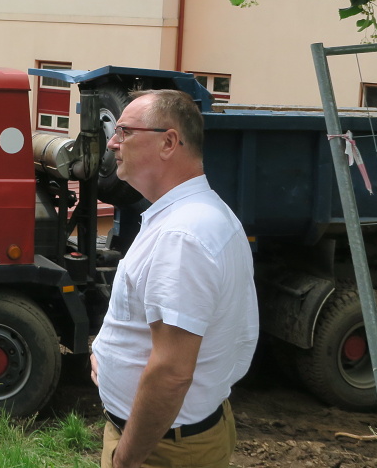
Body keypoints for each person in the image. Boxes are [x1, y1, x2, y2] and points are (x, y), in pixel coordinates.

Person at [90, 89, 258, 468]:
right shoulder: (200, 216)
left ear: (168, 142)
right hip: (171, 438)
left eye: (125, 131)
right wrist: (106, 353)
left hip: (160, 451)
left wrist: (126, 460)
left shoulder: (182, 236)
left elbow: (172, 373)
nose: (113, 143)